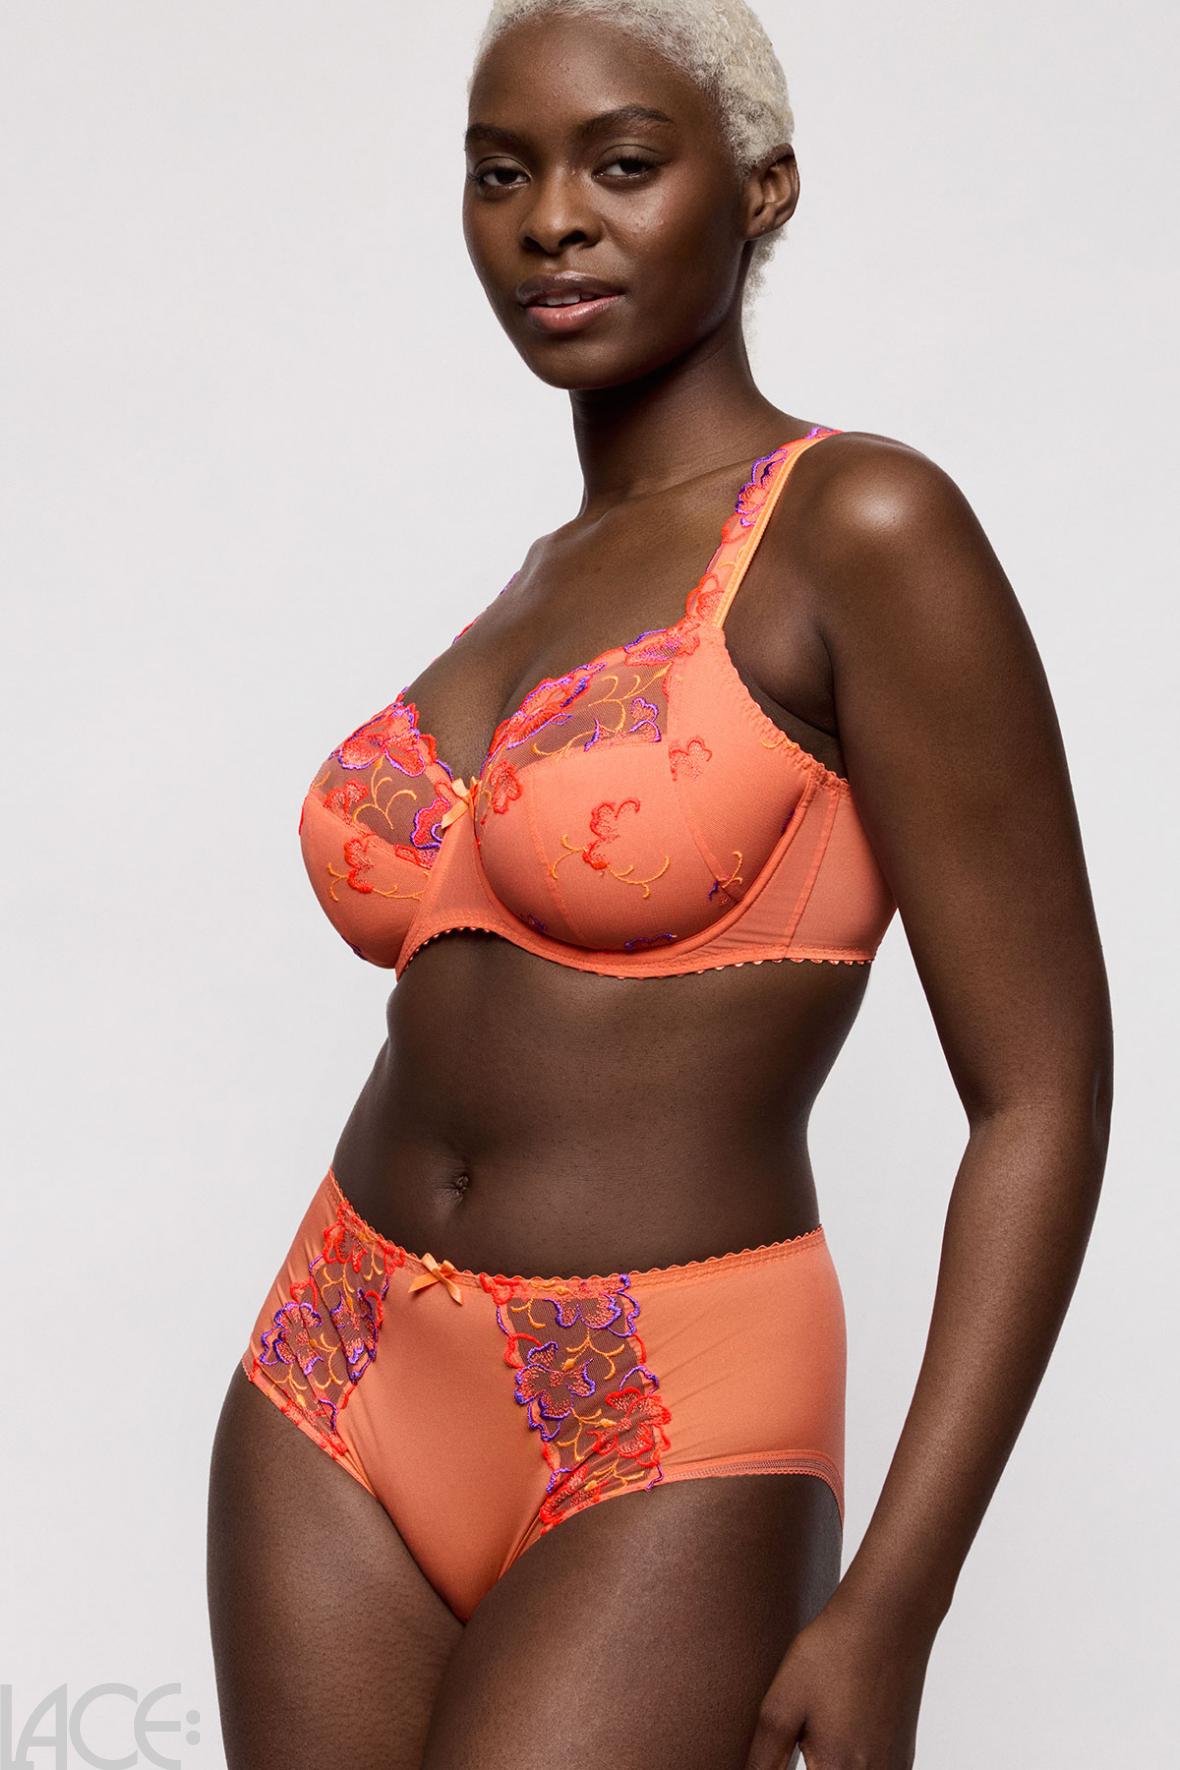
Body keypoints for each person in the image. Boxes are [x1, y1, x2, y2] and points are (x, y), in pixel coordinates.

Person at [206, 2, 1113, 1765]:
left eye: (622, 164)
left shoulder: (861, 528)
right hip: (332, 1367)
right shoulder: (539, 575)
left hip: (666, 1415)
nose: (554, 220)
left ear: (761, 189)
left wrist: (898, 1600)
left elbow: (1043, 1091)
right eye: (501, 174)